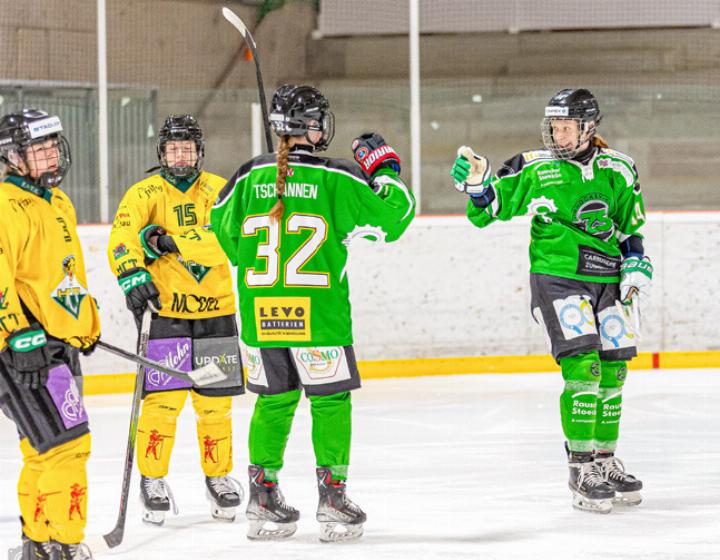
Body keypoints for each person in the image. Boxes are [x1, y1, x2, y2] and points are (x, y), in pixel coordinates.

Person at [211, 84, 415, 541]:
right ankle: (333, 500)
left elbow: (225, 235)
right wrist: (386, 171)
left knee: (273, 401)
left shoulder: (246, 177)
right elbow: (396, 218)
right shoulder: (337, 176)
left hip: (263, 315)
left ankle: (262, 500)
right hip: (318, 318)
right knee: (328, 403)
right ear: (314, 127)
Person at [450, 89, 651, 514]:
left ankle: (603, 458)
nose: (557, 134)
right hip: (559, 280)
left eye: (565, 126)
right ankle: (580, 466)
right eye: (554, 126)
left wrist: (636, 264)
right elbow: (488, 208)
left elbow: (631, 227)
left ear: (589, 127)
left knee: (614, 369)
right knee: (585, 367)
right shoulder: (534, 167)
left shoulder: (619, 167)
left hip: (607, 281)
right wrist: (476, 184)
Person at [107, 115, 244, 525]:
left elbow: (226, 242)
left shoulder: (221, 191)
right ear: (161, 152)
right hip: (165, 313)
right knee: (162, 405)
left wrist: (167, 242)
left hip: (216, 312)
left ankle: (218, 477)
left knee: (215, 406)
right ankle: (153, 479)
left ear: (199, 152)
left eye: (187, 148)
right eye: (173, 148)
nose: (180, 155)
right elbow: (122, 238)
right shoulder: (144, 192)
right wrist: (133, 273)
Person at [0, 109, 100, 559]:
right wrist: (16, 336)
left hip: (56, 348)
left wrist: (84, 325)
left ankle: (38, 544)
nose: (50, 157)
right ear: (13, 158)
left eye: (52, 147)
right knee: (67, 446)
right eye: (38, 150)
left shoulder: (57, 201)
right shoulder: (4, 205)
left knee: (43, 450)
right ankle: (64, 544)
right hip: (23, 348)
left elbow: (64, 278)